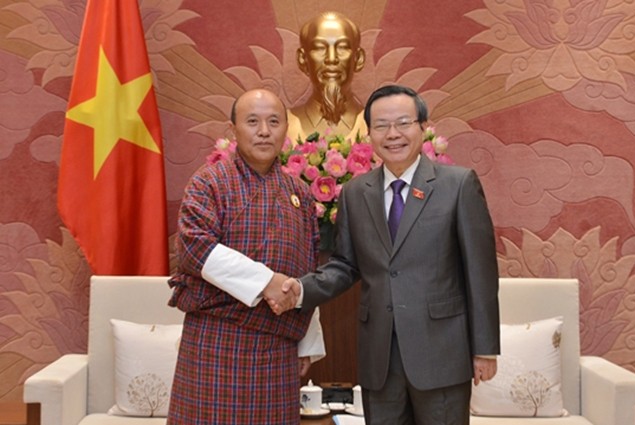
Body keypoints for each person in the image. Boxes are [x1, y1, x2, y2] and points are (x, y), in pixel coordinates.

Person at [275, 85, 500, 424]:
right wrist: (301, 289)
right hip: (379, 354)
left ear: (422, 126)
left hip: (441, 351)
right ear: (369, 133)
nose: (392, 134)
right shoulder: (354, 193)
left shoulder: (458, 185)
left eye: (403, 123)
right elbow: (345, 265)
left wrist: (484, 348)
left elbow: (480, 273)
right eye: (381, 125)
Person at [167, 89, 325, 424]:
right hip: (216, 343)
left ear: (286, 129)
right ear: (233, 129)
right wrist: (267, 282)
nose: (264, 131)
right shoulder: (209, 182)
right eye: (253, 121)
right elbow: (196, 249)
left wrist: (307, 341)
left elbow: (308, 269)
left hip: (278, 347)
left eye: (273, 121)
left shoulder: (299, 194)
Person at [288, 11, 367, 141]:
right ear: (302, 59)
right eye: (319, 48)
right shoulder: (284, 125)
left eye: (342, 47)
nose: (331, 58)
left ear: (358, 59)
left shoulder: (376, 125)